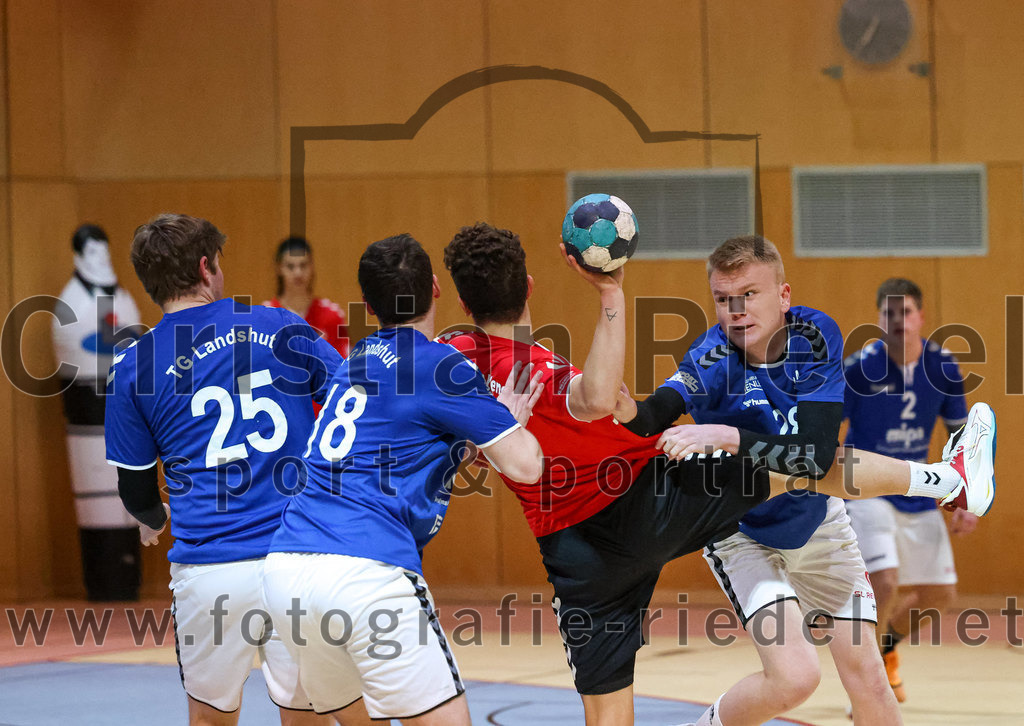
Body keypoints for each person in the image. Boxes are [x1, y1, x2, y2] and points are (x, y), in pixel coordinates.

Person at [439, 223, 995, 726]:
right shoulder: (708, 356)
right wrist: (626, 401)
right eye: (724, 300)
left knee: (869, 677)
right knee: (796, 678)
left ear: (784, 296)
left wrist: (725, 435)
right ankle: (949, 478)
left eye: (749, 295)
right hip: (739, 532)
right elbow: (639, 412)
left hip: (814, 524)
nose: (737, 311)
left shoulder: (814, 335)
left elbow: (817, 454)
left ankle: (950, 478)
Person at [262, 234, 544, 726]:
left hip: (286, 568)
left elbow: (389, 450)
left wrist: (465, 447)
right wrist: (507, 424)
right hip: (365, 570)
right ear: (435, 287)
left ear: (369, 306)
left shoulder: (355, 362)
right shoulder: (440, 365)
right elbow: (528, 466)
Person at [105, 214, 342, 726]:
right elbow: (354, 406)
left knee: (210, 718)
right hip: (298, 560)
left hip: (210, 571)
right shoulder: (278, 325)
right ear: (205, 266)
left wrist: (153, 516)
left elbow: (136, 490)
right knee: (307, 716)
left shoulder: (133, 366)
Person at [843, 277, 977, 703]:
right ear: (879, 319)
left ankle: (884, 648)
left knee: (940, 594)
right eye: (889, 313)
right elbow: (826, 428)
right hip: (866, 490)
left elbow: (961, 437)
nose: (898, 320)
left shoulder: (943, 367)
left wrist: (966, 499)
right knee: (884, 582)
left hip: (917, 488)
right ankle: (866, 690)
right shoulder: (858, 368)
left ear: (921, 316)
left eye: (906, 312)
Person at [53, 223, 144, 600]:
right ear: (79, 255)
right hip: (86, 411)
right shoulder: (71, 301)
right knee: (96, 497)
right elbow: (81, 349)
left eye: (104, 250)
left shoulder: (120, 297)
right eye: (93, 252)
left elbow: (131, 343)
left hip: (123, 408)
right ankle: (104, 580)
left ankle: (127, 577)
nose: (101, 259)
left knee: (125, 494)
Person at [265, 236, 349, 356]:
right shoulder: (266, 316)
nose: (298, 273)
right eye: (290, 266)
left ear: (312, 266)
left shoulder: (331, 315)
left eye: (303, 265)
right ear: (279, 268)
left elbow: (342, 363)